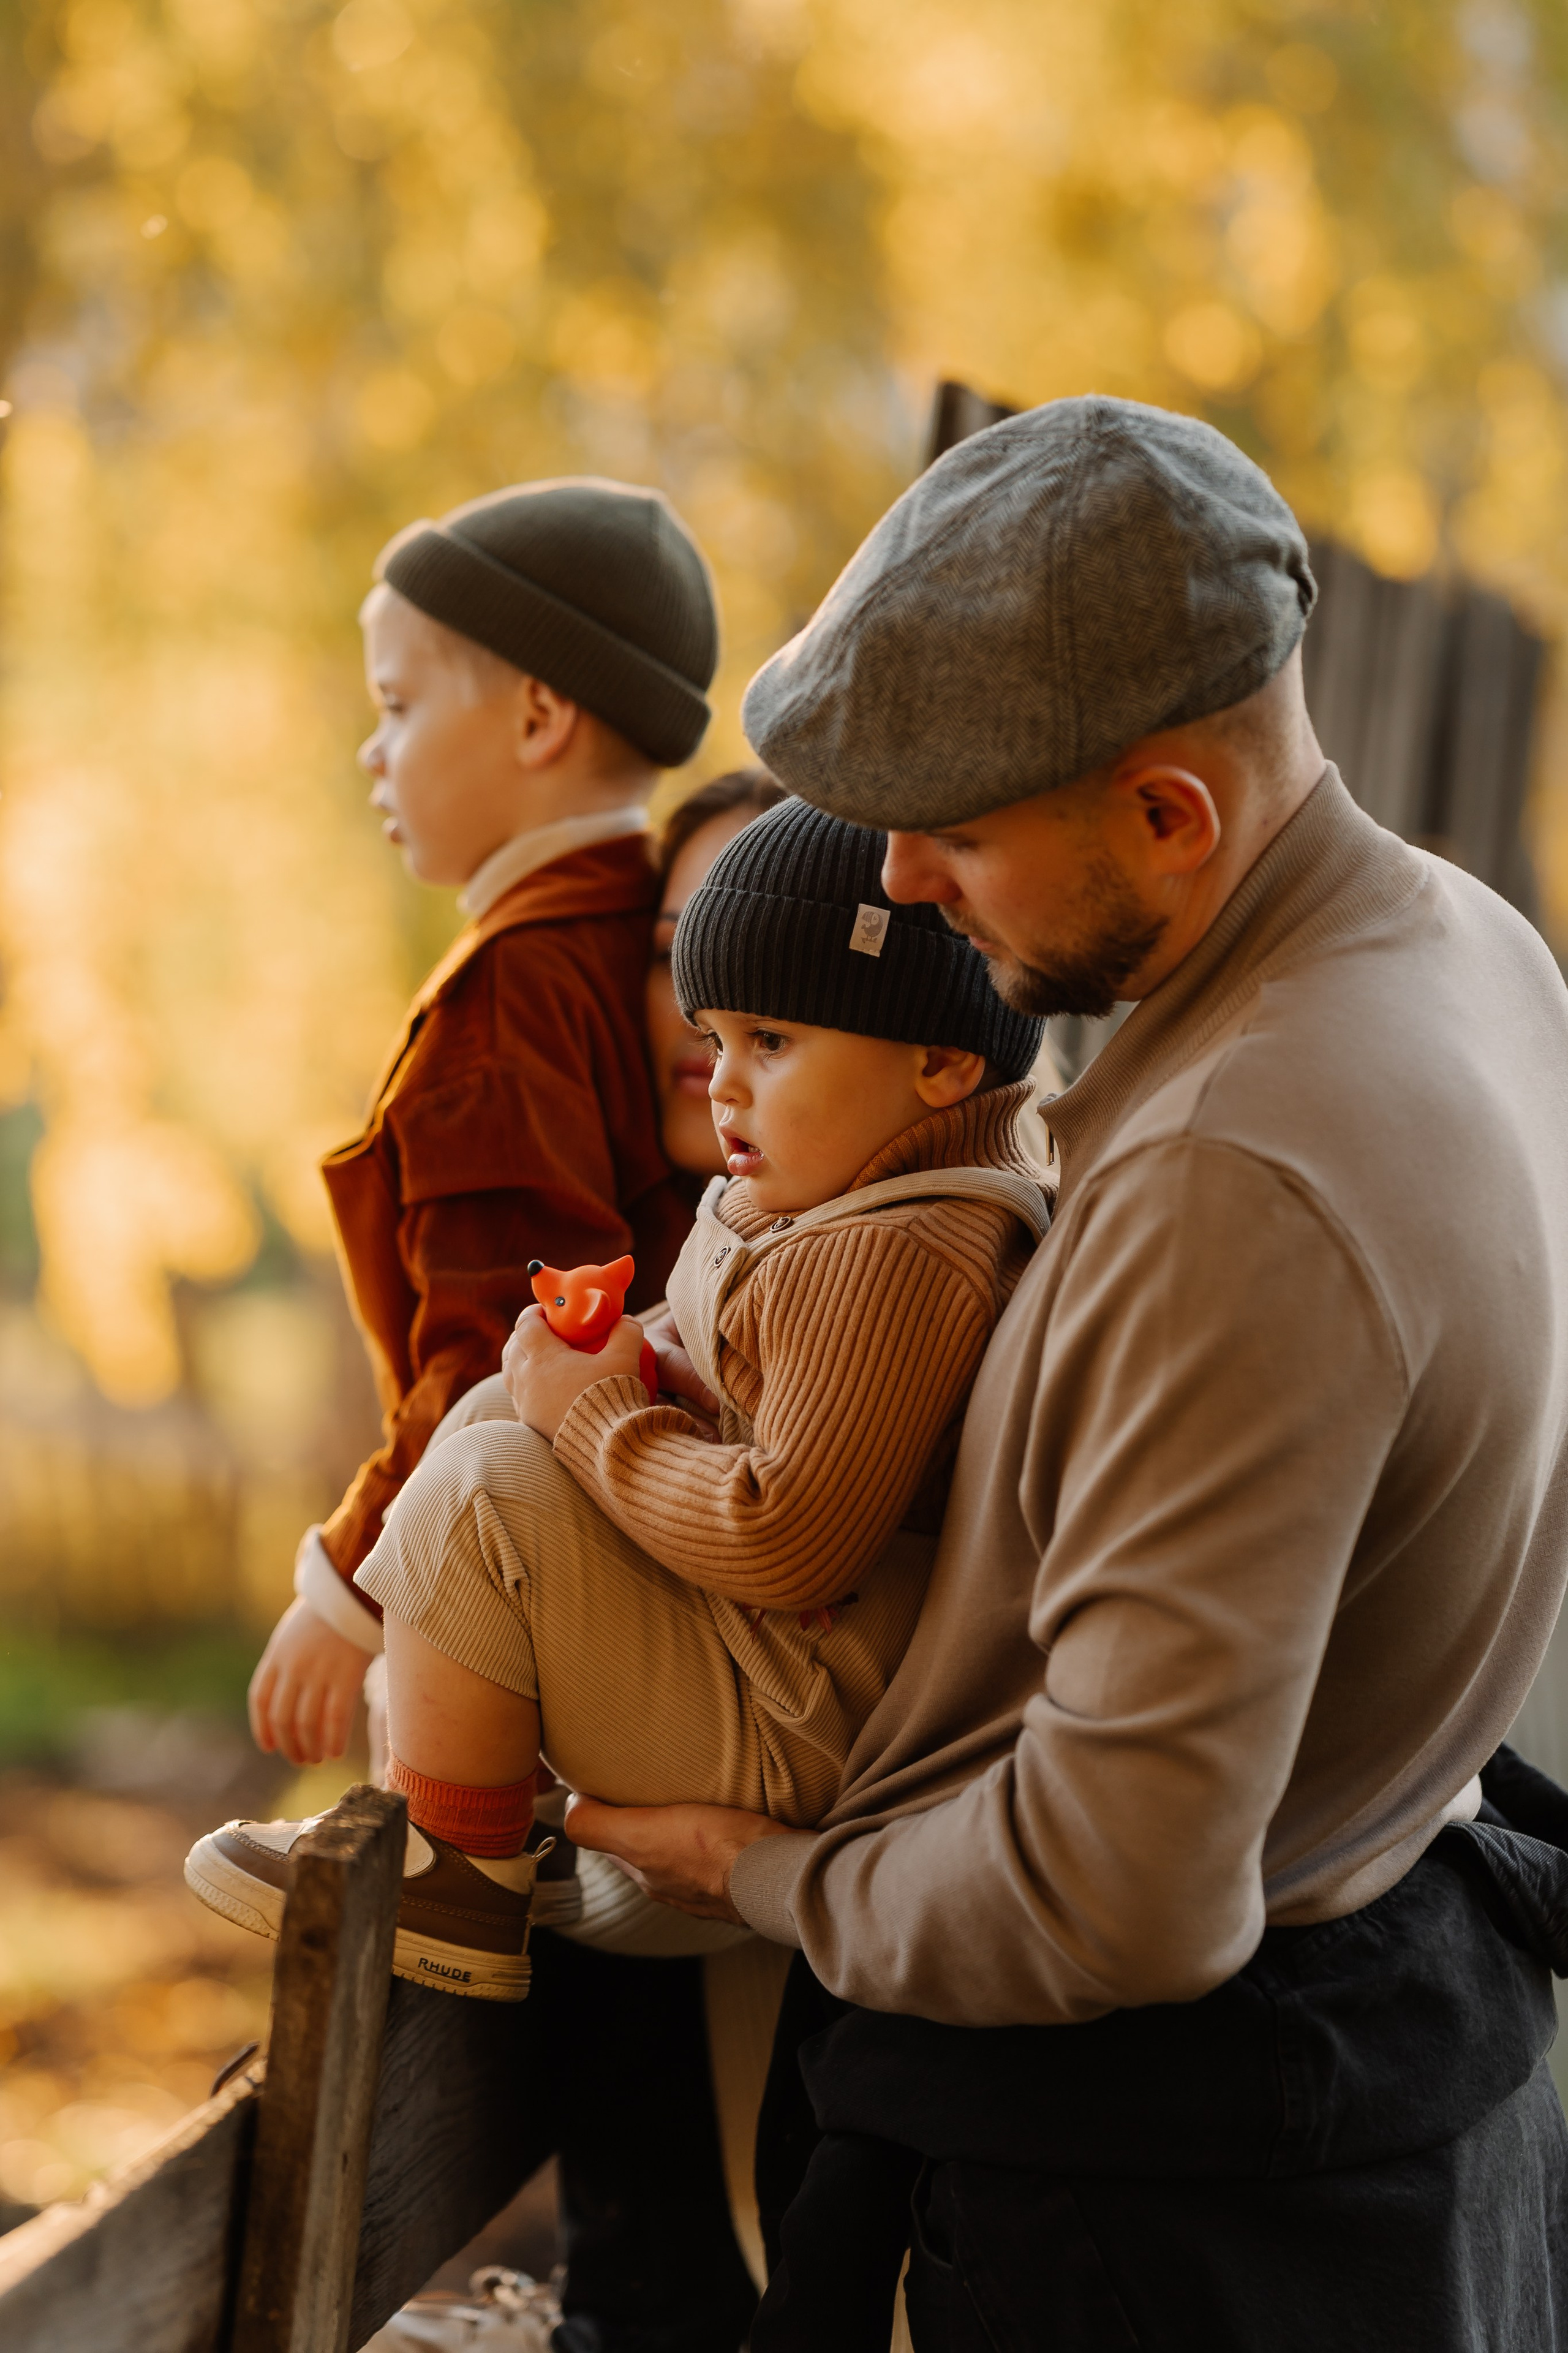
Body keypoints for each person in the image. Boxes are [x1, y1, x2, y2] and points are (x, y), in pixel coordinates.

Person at [557, 398, 1568, 2350]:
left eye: (958, 830)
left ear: (1170, 814)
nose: (911, 885)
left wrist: (770, 1876)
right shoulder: (1480, 948)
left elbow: (1123, 1896)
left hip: (1192, 2206)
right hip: (1398, 2093)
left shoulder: (1242, 1172)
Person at [189, 798, 1049, 1997]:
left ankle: (452, 1870)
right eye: (715, 1036)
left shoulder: (900, 1253)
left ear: (940, 1063)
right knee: (491, 1418)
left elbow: (790, 1533)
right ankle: (475, 1812)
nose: (724, 1084)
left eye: (772, 1042)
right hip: (772, 1676)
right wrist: (624, 1364)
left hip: (805, 1726)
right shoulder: (834, 1198)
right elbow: (729, 1360)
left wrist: (597, 1415)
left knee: (490, 1489)